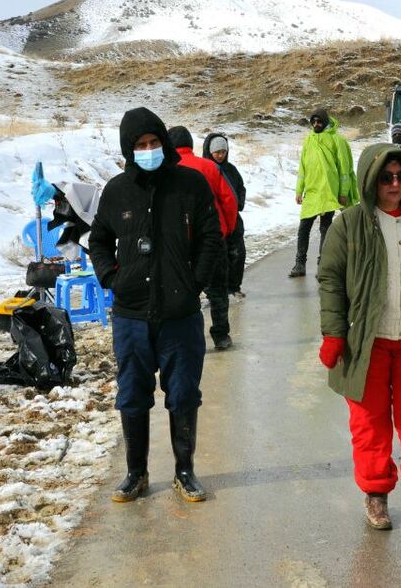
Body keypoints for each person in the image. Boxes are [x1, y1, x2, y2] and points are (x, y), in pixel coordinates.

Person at [87, 107, 224, 504]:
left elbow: (211, 237)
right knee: (132, 394)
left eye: (154, 142)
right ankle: (136, 473)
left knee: (183, 394)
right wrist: (111, 278)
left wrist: (194, 281)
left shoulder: (190, 185)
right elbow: (98, 240)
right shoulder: (116, 191)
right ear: (129, 151)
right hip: (131, 316)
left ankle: (185, 471)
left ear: (164, 142)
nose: (149, 150)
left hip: (179, 316)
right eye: (140, 145)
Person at [317, 144, 401, 534]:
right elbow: (329, 279)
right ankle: (376, 494)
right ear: (371, 180)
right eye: (387, 177)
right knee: (369, 424)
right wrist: (333, 333)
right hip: (368, 343)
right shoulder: (349, 224)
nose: (395, 185)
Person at [167, 126, 238, 351]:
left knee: (183, 291)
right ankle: (221, 335)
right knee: (217, 290)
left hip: (178, 243)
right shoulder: (210, 167)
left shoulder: (165, 170)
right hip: (213, 239)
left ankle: (186, 339)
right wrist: (227, 229)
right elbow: (229, 201)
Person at [290, 108, 356, 278]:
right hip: (312, 193)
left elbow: (344, 170)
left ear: (325, 122)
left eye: (319, 122)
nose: (316, 125)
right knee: (303, 228)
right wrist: (299, 189)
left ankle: (323, 266)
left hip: (328, 192)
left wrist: (343, 192)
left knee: (325, 229)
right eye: (313, 122)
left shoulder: (337, 140)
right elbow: (303, 168)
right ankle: (300, 264)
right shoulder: (308, 140)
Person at [203, 132, 247, 299]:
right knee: (214, 257)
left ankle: (234, 286)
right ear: (210, 151)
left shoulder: (231, 169)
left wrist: (239, 203)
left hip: (233, 219)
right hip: (215, 220)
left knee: (237, 253)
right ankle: (212, 290)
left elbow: (241, 188)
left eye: (224, 152)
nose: (221, 155)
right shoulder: (206, 169)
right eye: (217, 152)